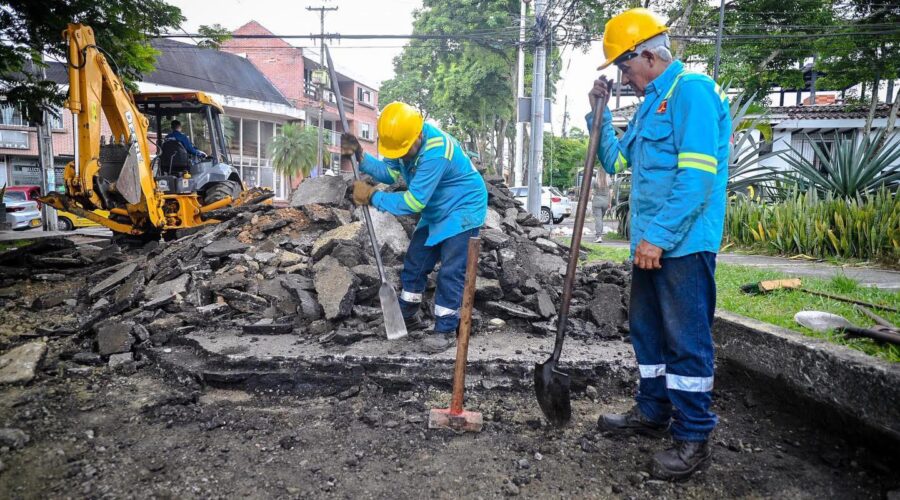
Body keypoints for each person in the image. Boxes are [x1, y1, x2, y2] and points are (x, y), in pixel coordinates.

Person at [586, 8, 731, 481]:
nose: (624, 78)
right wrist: (597, 113)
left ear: (648, 55)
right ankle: (653, 412)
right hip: (649, 245)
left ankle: (693, 438)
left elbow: (698, 179)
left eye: (625, 67)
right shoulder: (651, 104)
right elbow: (615, 161)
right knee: (647, 332)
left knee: (685, 341)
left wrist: (659, 238)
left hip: (682, 245)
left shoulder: (692, 91)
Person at [341, 101, 488, 353]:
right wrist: (361, 157)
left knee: (450, 271)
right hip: (436, 208)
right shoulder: (401, 139)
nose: (402, 156)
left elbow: (413, 202)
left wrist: (373, 196)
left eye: (405, 150)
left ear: (418, 134)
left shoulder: (436, 151)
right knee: (415, 262)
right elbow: (389, 173)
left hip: (463, 208)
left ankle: (445, 329)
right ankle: (408, 315)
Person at [591, 173, 611, 243]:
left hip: (597, 201)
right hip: (605, 202)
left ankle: (598, 236)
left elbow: (590, 191)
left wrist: (590, 199)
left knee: (598, 219)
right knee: (600, 219)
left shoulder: (595, 180)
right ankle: (599, 234)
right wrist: (609, 202)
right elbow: (610, 192)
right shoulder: (609, 181)